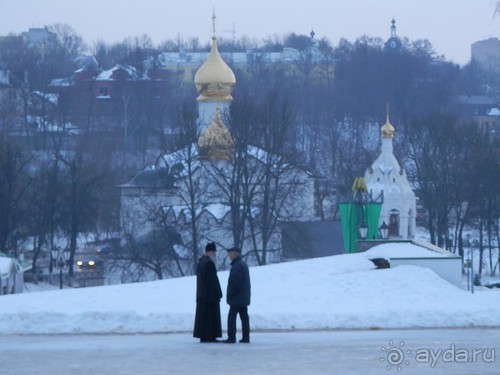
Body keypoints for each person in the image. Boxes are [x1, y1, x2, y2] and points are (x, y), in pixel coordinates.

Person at [193, 242, 223, 343]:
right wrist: (218, 293)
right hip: (209, 296)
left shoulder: (201, 262)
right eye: (213, 252)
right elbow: (212, 281)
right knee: (210, 317)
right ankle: (210, 336)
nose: (214, 254)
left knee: (203, 317)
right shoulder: (209, 263)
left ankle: (204, 336)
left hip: (202, 295)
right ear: (209, 252)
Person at [223, 247, 251, 344]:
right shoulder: (243, 265)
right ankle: (246, 337)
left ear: (236, 254)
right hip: (243, 296)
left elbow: (235, 283)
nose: (229, 255)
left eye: (230, 253)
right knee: (244, 317)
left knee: (232, 317)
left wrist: (230, 293)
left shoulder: (236, 266)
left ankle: (231, 337)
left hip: (237, 297)